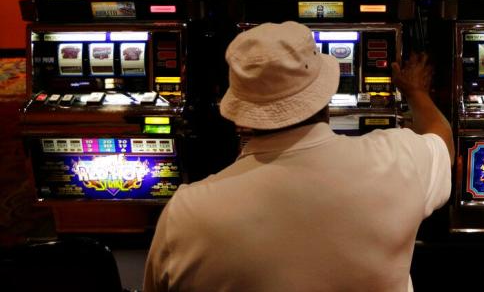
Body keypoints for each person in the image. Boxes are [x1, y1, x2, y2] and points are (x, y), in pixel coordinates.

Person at [143, 21, 453, 292]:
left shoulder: (186, 213)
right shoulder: (397, 158)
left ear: (241, 114)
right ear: (325, 94)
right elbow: (443, 140)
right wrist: (416, 92)